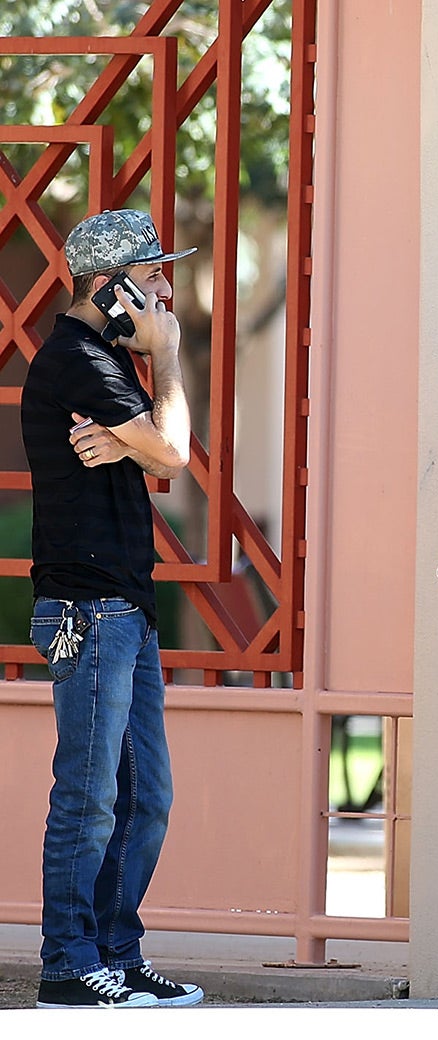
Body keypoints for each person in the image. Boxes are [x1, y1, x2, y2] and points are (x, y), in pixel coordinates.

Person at [21, 209, 203, 1008]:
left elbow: (161, 457)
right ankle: (68, 964)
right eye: (154, 276)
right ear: (110, 287)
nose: (166, 291)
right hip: (88, 611)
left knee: (145, 799)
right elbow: (175, 453)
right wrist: (167, 362)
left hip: (123, 609)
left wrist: (133, 440)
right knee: (89, 799)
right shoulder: (78, 360)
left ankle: (116, 955)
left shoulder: (100, 362)